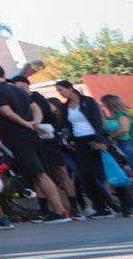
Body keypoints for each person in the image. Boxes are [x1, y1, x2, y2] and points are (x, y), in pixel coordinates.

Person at [0, 64, 71, 222]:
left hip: (19, 137)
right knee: (39, 174)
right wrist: (35, 123)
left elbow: (5, 111)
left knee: (40, 174)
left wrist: (26, 123)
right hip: (30, 135)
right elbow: (36, 108)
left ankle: (59, 211)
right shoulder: (17, 90)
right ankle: (56, 210)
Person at [54, 79, 128, 219]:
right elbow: (65, 125)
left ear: (70, 88)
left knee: (107, 172)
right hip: (79, 142)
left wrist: (100, 140)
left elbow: (96, 121)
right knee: (86, 176)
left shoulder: (88, 102)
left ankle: (126, 205)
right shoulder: (65, 107)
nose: (60, 93)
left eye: (61, 90)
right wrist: (67, 138)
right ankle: (101, 207)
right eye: (58, 91)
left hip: (94, 138)